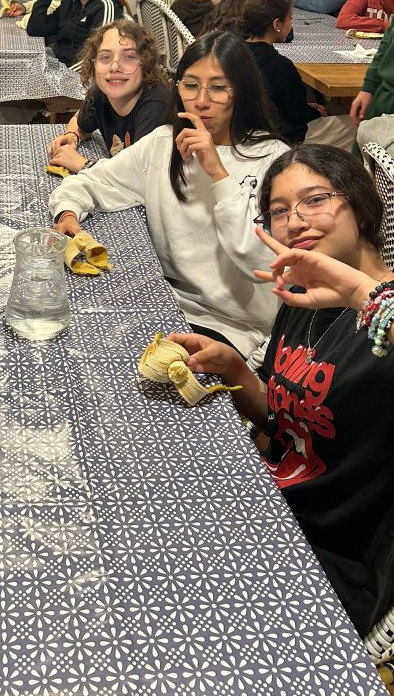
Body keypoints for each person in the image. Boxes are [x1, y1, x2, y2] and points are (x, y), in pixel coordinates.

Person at [169, 144, 394, 636]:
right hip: (270, 503)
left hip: (334, 558)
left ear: (359, 205)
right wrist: (236, 370)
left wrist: (363, 295)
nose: (294, 221)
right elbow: (280, 419)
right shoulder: (303, 294)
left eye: (315, 200)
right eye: (279, 210)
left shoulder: (382, 313)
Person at [49, 32, 288, 355]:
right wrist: (67, 211)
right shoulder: (164, 143)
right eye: (190, 85)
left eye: (218, 88)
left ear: (242, 91)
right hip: (165, 302)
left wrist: (218, 173)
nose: (201, 101)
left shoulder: (272, 159)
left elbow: (263, 265)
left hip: (233, 325)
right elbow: (93, 181)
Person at [47, 20, 171, 171]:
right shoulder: (101, 93)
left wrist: (82, 164)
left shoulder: (157, 105)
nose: (114, 67)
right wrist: (73, 136)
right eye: (105, 57)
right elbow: (80, 121)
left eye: (129, 57)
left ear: (146, 63)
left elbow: (139, 176)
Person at [242, 0, 356, 149]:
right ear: (277, 24)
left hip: (244, 128)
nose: (291, 24)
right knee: (355, 125)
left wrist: (306, 107)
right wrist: (315, 112)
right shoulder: (280, 65)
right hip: (279, 136)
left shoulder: (235, 51)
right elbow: (298, 115)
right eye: (290, 18)